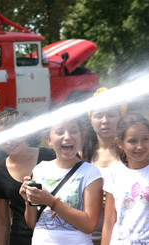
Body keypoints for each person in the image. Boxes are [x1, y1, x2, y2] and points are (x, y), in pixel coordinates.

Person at [20, 119, 103, 244]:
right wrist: (28, 201)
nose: (67, 137)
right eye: (59, 132)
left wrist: (51, 201)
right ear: (49, 140)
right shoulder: (40, 169)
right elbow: (33, 223)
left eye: (73, 131)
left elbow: (89, 225)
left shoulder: (91, 172)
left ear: (81, 137)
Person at [0, 108, 55, 245]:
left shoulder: (51, 157)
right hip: (21, 240)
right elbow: (2, 221)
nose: (9, 142)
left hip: (56, 238)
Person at [80, 87, 127, 244]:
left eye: (111, 115)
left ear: (121, 117)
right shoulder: (82, 157)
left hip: (123, 235)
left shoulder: (134, 156)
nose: (105, 121)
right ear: (91, 119)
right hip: (85, 235)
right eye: (98, 115)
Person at [101, 113, 149, 244]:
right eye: (133, 141)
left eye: (145, 139)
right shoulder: (114, 174)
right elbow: (109, 223)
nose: (140, 146)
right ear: (119, 143)